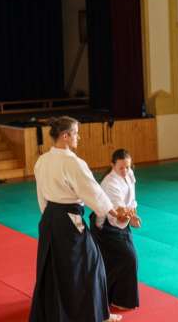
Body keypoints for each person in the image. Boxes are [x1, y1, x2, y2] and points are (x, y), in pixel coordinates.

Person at [30, 116, 127, 322]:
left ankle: (54, 314)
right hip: (69, 219)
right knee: (93, 263)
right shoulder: (73, 162)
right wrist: (113, 211)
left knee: (55, 267)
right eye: (75, 133)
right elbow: (92, 192)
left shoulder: (42, 160)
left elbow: (42, 196)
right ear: (65, 136)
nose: (78, 137)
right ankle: (97, 313)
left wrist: (49, 216)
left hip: (49, 220)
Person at [90, 149, 141, 310]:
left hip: (121, 223)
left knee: (113, 262)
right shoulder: (110, 183)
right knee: (128, 258)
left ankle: (110, 297)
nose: (125, 171)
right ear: (112, 165)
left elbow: (131, 201)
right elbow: (118, 214)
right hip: (105, 226)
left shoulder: (129, 174)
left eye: (128, 166)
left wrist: (133, 215)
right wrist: (130, 218)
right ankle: (120, 299)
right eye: (121, 168)